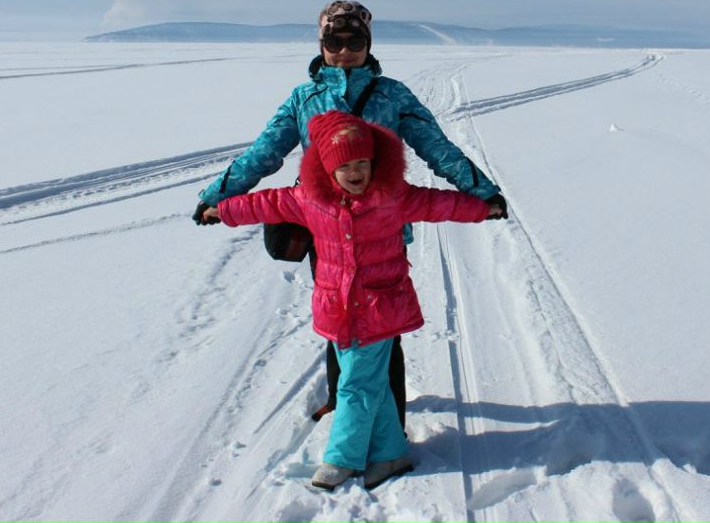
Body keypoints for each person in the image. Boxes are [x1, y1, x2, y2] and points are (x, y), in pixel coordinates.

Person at [193, 0, 507, 428]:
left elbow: (437, 148)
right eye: (333, 41)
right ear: (321, 43)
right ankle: (343, 405)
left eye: (353, 41)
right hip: (325, 228)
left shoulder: (392, 95)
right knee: (338, 313)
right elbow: (264, 153)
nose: (344, 51)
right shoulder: (304, 99)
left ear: (368, 43)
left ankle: (390, 418)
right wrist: (218, 196)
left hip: (382, 229)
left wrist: (482, 193)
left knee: (382, 323)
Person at [204, 111, 503, 490]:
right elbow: (265, 203)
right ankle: (391, 454)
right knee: (367, 384)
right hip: (337, 307)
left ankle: (341, 458)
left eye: (362, 161)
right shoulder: (308, 200)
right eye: (345, 164)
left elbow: (439, 204)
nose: (356, 171)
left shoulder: (393, 196)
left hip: (380, 306)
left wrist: (483, 208)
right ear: (327, 169)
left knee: (355, 386)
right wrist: (223, 210)